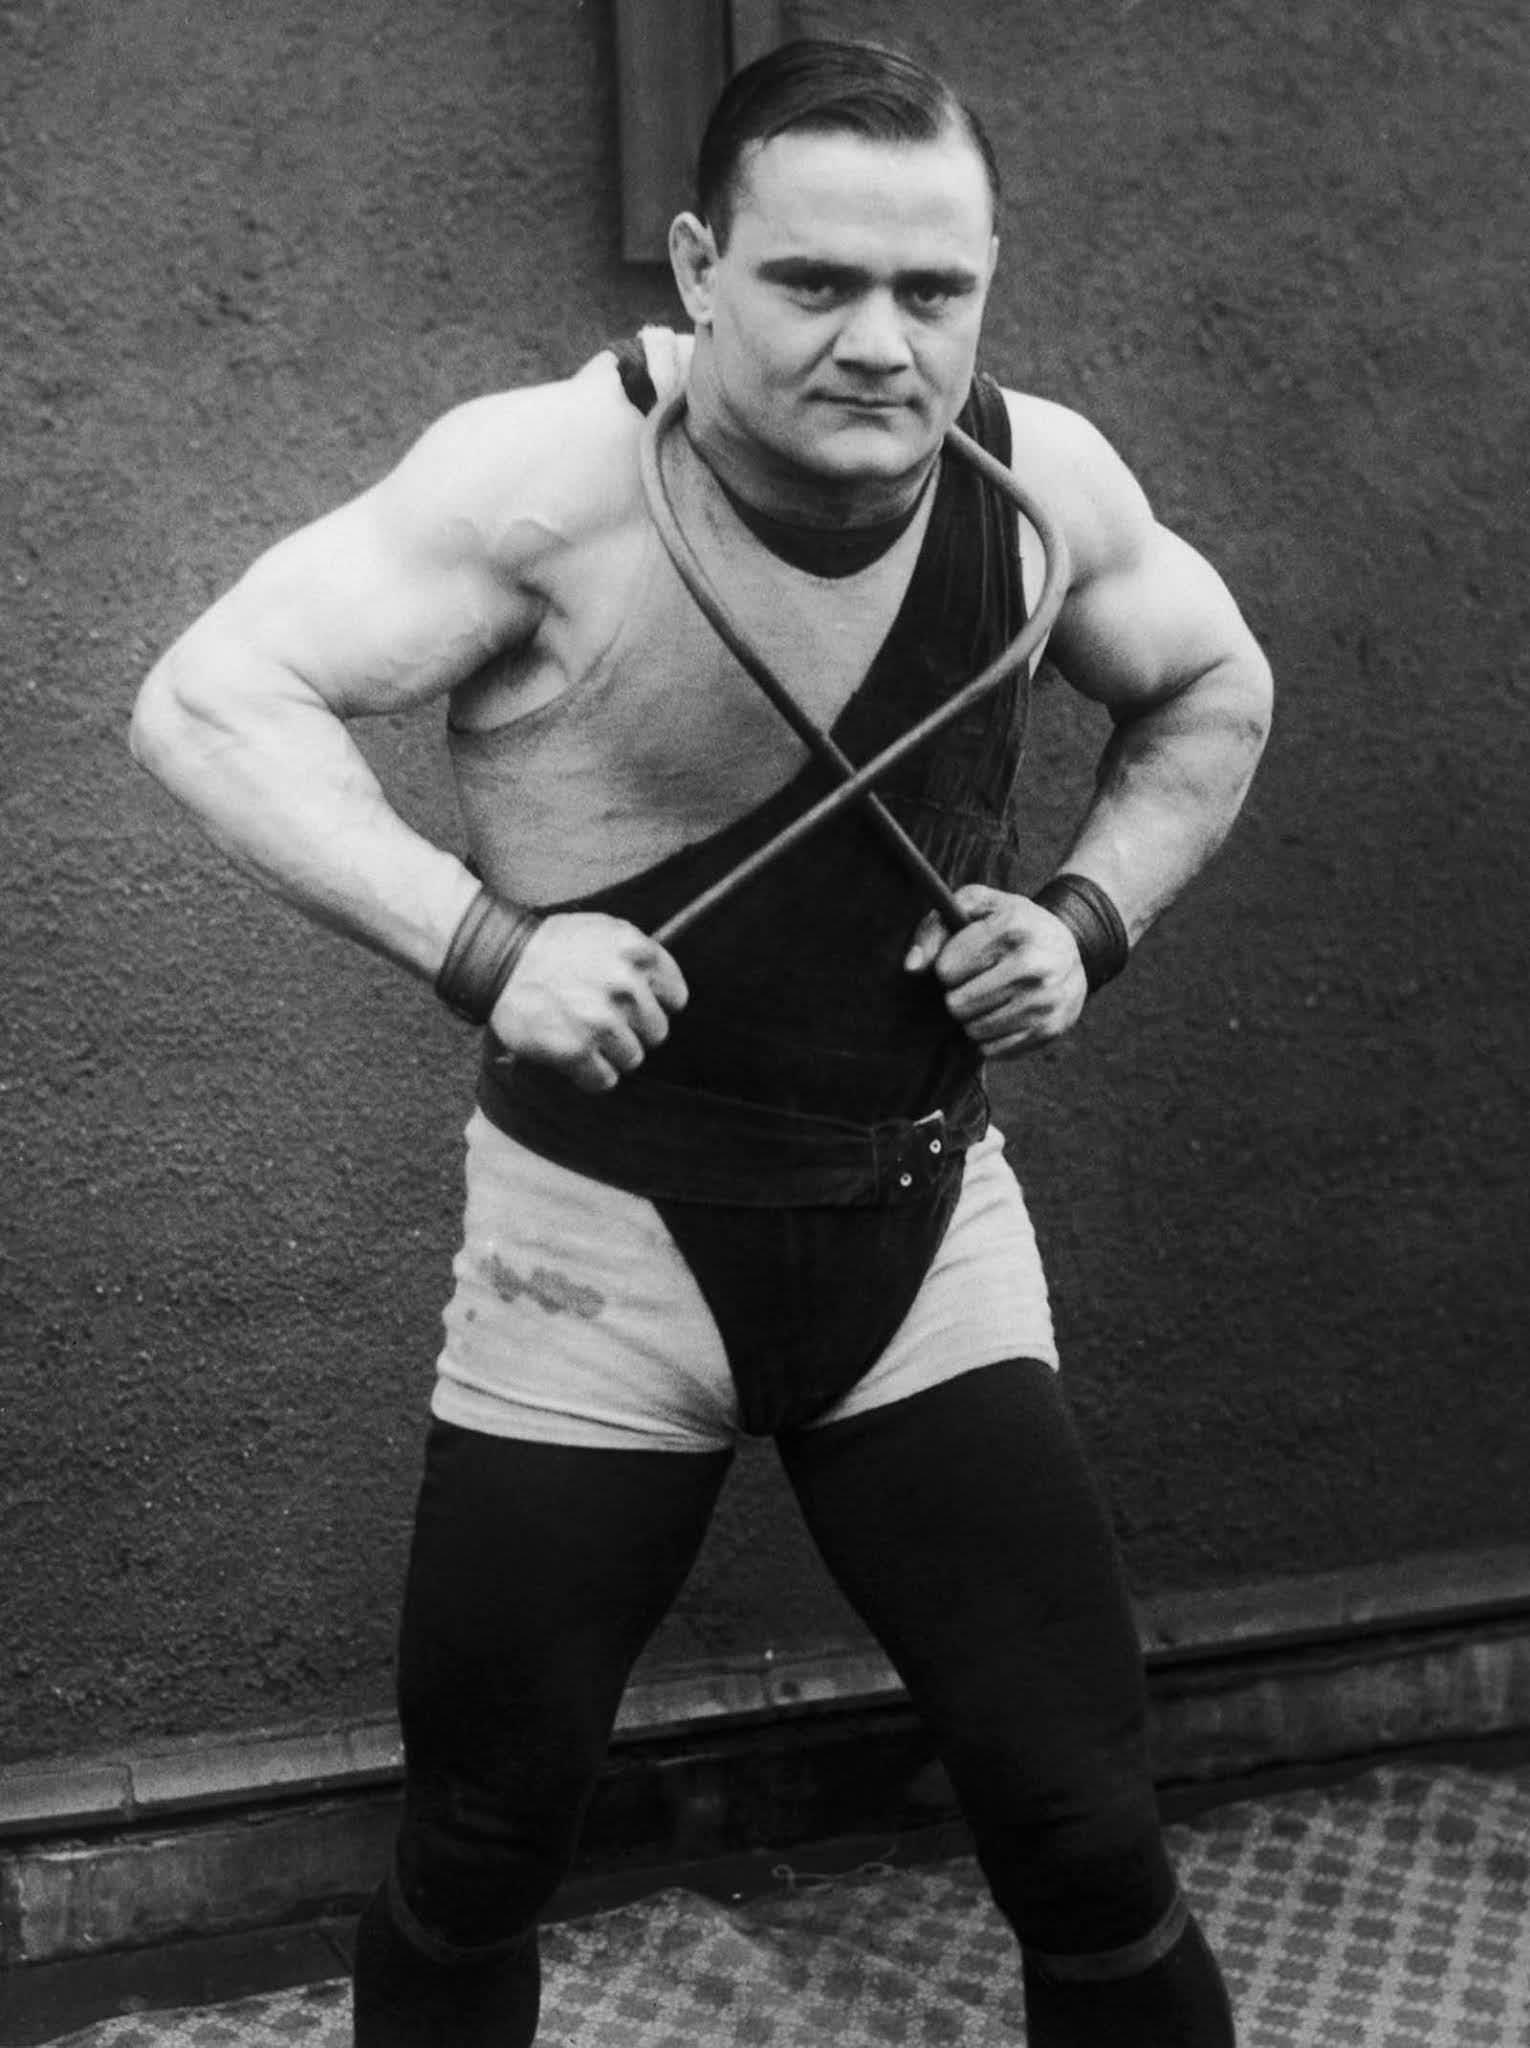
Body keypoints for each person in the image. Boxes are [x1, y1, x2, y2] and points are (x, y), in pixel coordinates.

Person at [131, 36, 1271, 2048]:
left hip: (923, 1235)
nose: (880, 342)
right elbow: (212, 698)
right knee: (487, 1825)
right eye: (814, 282)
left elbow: (1213, 686)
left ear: (988, 284)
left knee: (1089, 1822)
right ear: (697, 267)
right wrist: (481, 945)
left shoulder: (1045, 482)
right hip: (601, 1250)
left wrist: (1091, 918)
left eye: (933, 291)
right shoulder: (543, 480)